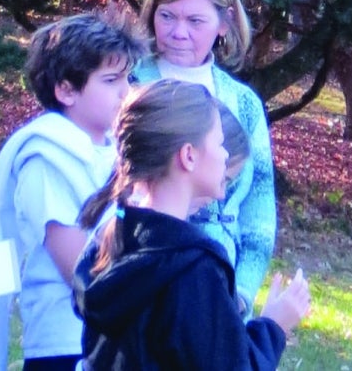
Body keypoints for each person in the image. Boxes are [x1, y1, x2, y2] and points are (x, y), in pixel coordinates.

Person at [75, 80, 310, 370]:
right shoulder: (193, 267)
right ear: (188, 155)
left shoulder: (112, 238)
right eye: (220, 143)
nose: (225, 154)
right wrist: (274, 325)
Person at [0, 13, 143, 371]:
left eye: (128, 78)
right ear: (66, 89)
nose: (126, 91)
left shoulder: (115, 151)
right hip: (65, 344)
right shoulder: (45, 158)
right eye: (110, 80)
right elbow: (81, 270)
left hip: (113, 342)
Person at [128, 0, 276, 313]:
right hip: (139, 279)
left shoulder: (243, 105)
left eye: (195, 20)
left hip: (219, 291)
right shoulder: (127, 83)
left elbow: (259, 215)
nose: (179, 32)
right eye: (167, 16)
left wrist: (240, 294)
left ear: (224, 23)